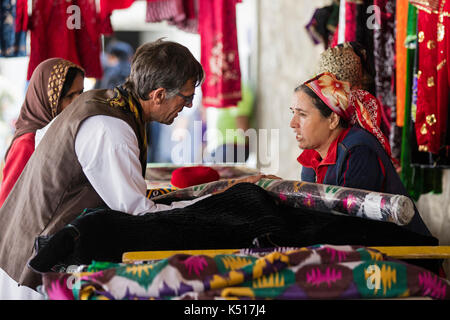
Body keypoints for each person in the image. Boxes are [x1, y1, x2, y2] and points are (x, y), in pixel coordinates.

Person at [0, 39, 266, 295]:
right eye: (186, 98)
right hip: (32, 265)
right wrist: (225, 203)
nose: (188, 106)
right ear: (159, 95)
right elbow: (139, 213)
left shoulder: (112, 105)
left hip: (34, 251)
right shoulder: (110, 128)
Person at [290, 72, 431, 237]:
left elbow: (349, 226)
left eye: (302, 115)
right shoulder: (311, 156)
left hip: (403, 254)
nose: (292, 124)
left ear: (333, 120)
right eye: (292, 112)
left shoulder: (357, 151)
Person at [0, 58, 85, 208]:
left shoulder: (67, 133)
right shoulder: (27, 143)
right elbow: (8, 203)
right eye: (70, 96)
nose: (78, 102)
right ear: (47, 100)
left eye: (81, 93)